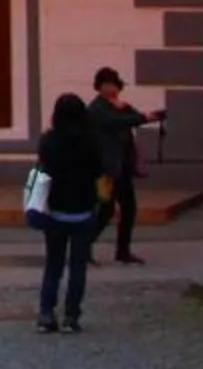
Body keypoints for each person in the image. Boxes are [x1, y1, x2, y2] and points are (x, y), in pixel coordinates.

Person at [32, 90, 103, 332]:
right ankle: (71, 316)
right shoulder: (90, 140)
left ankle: (46, 313)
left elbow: (43, 169)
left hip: (55, 210)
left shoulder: (49, 141)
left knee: (53, 264)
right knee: (78, 267)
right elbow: (99, 169)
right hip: (83, 208)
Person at [87, 66, 152, 264]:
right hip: (104, 170)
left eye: (113, 84)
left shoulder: (119, 106)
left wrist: (129, 110)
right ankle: (84, 247)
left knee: (129, 208)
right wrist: (141, 117)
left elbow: (131, 118)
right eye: (107, 84)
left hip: (122, 167)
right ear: (100, 87)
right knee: (104, 209)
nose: (111, 88)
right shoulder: (97, 108)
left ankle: (123, 251)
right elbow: (116, 122)